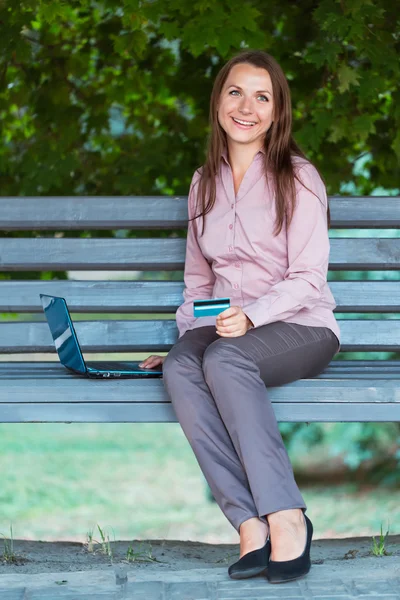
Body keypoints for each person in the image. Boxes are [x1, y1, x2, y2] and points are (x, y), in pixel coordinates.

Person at [138, 49, 341, 584]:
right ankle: (249, 524)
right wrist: (185, 342)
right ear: (218, 101)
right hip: (228, 332)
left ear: (277, 111)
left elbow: (308, 278)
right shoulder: (204, 182)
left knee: (226, 360)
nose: (246, 106)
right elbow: (199, 284)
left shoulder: (298, 178)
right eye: (235, 92)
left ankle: (288, 516)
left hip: (303, 326)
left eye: (262, 96)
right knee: (182, 367)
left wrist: (250, 317)